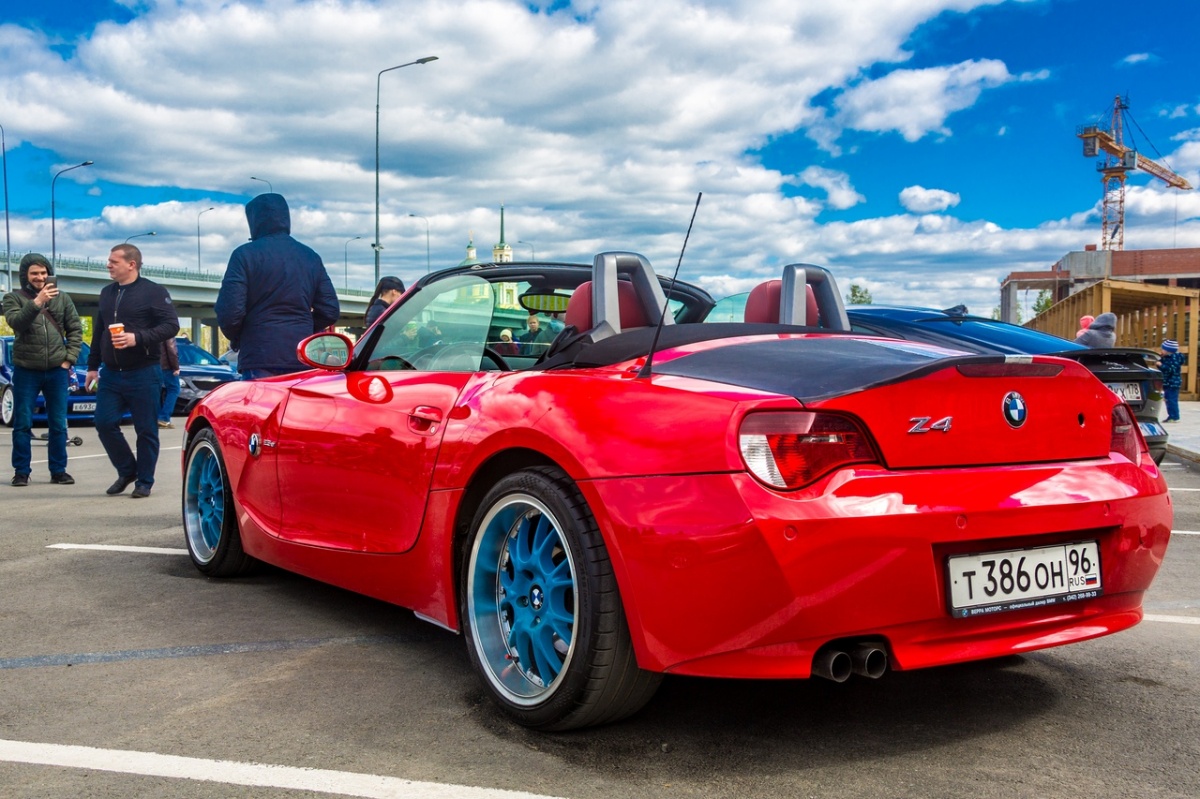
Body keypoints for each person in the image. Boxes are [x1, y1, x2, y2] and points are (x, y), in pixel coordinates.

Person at [86, 244, 181, 498]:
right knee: (104, 423)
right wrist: (93, 366)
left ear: (132, 264)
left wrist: (136, 338)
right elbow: (99, 331)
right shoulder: (107, 293)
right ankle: (128, 470)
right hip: (111, 373)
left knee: (146, 429)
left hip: (144, 372)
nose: (108, 264)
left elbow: (171, 325)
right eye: (108, 260)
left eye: (113, 261)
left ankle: (144, 481)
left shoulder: (154, 292)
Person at [215, 193, 339, 378]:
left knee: (261, 398)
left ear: (254, 221)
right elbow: (330, 310)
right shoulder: (311, 257)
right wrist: (302, 328)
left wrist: (240, 337)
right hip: (303, 356)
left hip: (259, 355)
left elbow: (230, 312)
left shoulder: (244, 255)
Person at [2, 253, 83, 487]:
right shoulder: (13, 298)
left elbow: (75, 330)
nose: (40, 277)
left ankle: (58, 471)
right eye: (34, 273)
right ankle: (21, 471)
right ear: (25, 275)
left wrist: (68, 360)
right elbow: (17, 323)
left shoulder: (63, 298)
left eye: (43, 272)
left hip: (57, 370)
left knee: (58, 423)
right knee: (22, 423)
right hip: (26, 370)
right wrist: (37, 302)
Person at [1160, 339, 1186, 423]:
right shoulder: (1168, 357)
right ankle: (1171, 415)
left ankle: (1174, 417)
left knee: (1171, 400)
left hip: (1172, 383)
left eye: (1163, 349)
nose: (1161, 350)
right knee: (1168, 399)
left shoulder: (1174, 358)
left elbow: (1170, 369)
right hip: (1169, 382)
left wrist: (1161, 365)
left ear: (1168, 350)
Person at [158, 336, 180, 429]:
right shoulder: (168, 332)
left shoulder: (153, 330)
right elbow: (172, 350)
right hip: (167, 367)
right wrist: (176, 367)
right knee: (174, 389)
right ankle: (164, 418)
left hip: (155, 365)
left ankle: (158, 418)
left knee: (157, 391)